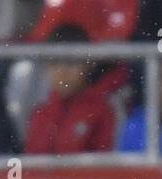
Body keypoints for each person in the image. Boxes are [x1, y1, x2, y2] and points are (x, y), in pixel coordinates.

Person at [22, 24, 121, 154]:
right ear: (45, 66)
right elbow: (31, 166)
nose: (62, 71)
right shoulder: (39, 114)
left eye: (71, 62)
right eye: (54, 62)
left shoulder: (103, 111)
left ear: (89, 64)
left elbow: (104, 168)